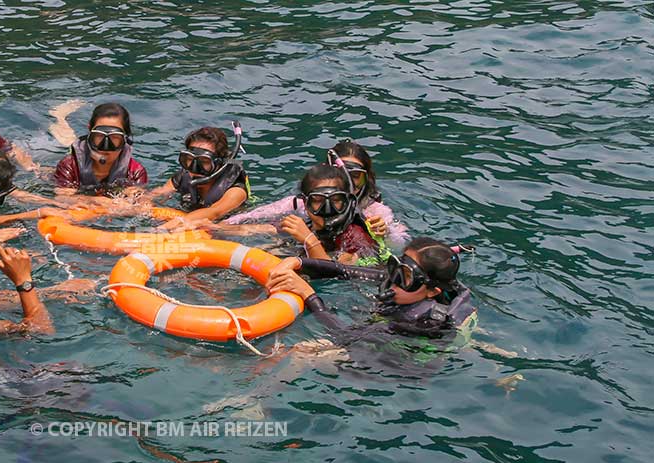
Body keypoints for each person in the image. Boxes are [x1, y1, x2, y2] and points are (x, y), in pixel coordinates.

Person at [267, 237, 475, 339]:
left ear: (432, 292)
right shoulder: (400, 285)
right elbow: (344, 271)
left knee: (302, 353)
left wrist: (309, 295)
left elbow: (346, 336)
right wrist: (298, 262)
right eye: (395, 267)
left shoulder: (424, 322)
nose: (394, 280)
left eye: (406, 276)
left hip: (398, 366)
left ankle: (256, 406)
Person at [225, 139, 409, 249]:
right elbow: (252, 218)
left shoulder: (375, 212)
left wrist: (385, 233)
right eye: (340, 174)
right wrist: (219, 226)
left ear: (366, 179)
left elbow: (400, 244)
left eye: (355, 177)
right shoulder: (298, 204)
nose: (347, 183)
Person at [150, 126, 250, 230]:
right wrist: (140, 201)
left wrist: (173, 224)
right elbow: (158, 194)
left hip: (225, 227)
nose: (195, 167)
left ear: (220, 164)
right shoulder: (183, 177)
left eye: (205, 162)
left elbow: (214, 212)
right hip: (189, 219)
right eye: (189, 159)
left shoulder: (236, 190)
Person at [52, 102, 148, 198]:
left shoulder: (135, 172)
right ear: (90, 131)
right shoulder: (70, 165)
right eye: (99, 136)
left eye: (115, 137)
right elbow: (63, 199)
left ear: (125, 139)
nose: (105, 146)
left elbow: (140, 203)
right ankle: (59, 117)